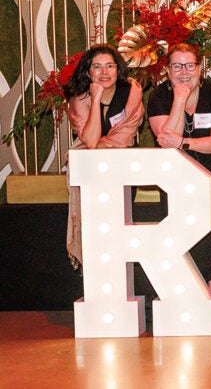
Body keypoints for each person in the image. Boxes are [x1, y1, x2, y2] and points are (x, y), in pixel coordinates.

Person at [147, 43, 211, 311]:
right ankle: (188, 293)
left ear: (200, 68)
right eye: (177, 66)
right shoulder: (158, 97)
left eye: (190, 66)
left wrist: (183, 142)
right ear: (167, 69)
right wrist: (179, 99)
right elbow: (165, 140)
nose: (184, 72)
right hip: (176, 179)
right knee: (182, 236)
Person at [63, 44, 144, 269]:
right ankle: (96, 273)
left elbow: (125, 137)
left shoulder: (132, 93)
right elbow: (89, 140)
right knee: (95, 229)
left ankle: (119, 275)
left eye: (110, 66)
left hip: (123, 169)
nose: (104, 72)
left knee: (120, 226)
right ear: (88, 72)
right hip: (90, 174)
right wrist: (96, 100)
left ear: (118, 69)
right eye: (97, 67)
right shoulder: (80, 99)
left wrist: (99, 145)